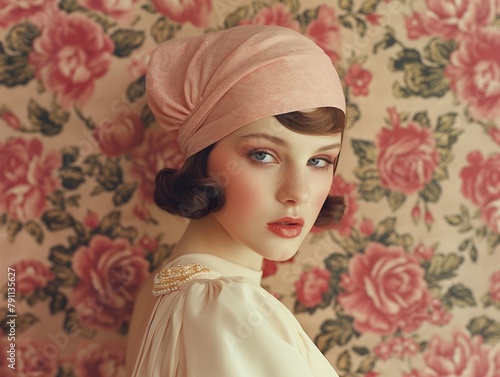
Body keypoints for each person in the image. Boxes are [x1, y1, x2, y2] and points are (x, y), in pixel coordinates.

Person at [126, 24, 346, 376]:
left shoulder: (159, 291)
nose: (298, 193)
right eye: (263, 155)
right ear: (204, 154)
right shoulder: (227, 307)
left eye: (319, 161)